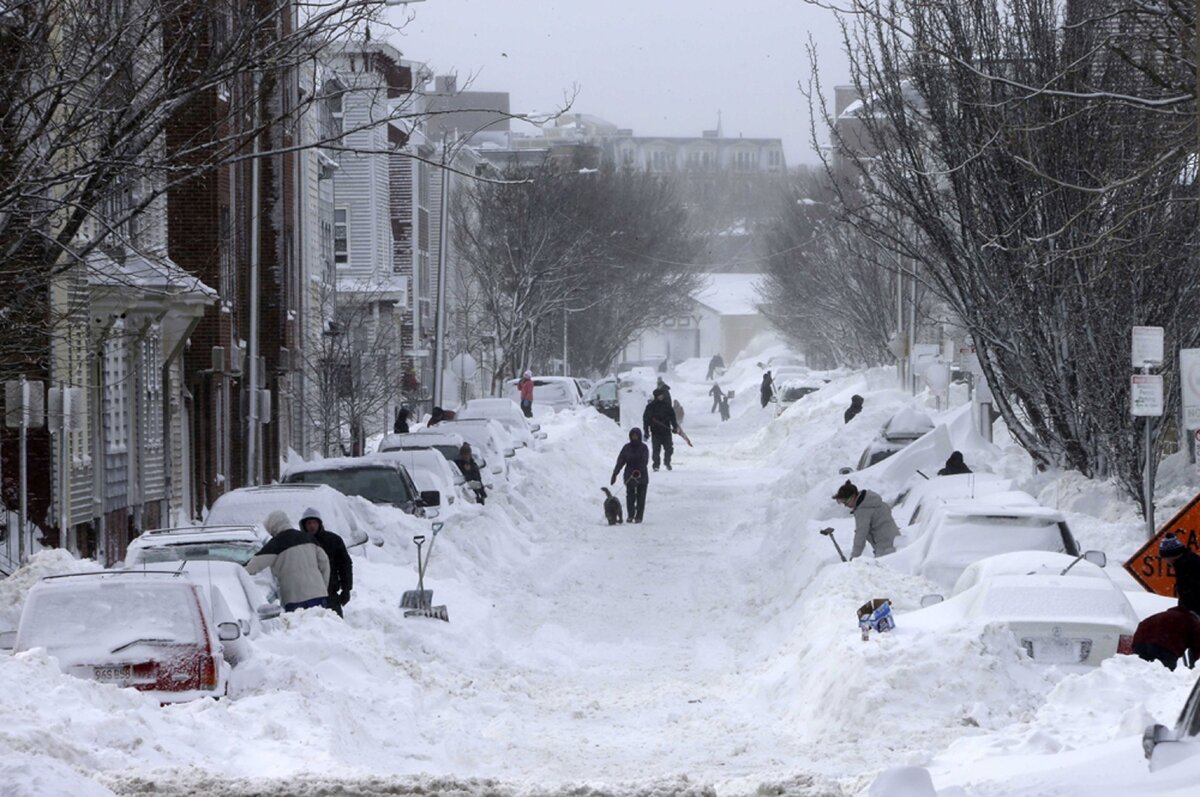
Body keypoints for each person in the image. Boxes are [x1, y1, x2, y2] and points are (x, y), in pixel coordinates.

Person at [246, 510, 330, 612]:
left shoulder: (276, 544)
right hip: (319, 594)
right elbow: (325, 563)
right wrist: (323, 586)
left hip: (295, 598)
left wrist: (236, 572)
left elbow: (252, 566)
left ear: (273, 527)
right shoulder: (309, 538)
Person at [300, 507, 353, 617]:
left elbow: (345, 565)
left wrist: (346, 589)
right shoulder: (298, 542)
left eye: (314, 522)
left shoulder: (333, 540)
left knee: (334, 627)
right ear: (304, 525)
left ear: (319, 523)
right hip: (306, 596)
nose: (312, 526)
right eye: (309, 523)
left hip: (330, 594)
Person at [832, 479, 900, 559]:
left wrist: (854, 558)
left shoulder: (863, 510)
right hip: (896, 542)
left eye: (846, 502)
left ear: (853, 496)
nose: (846, 506)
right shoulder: (872, 501)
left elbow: (860, 535)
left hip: (886, 548)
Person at [1131, 606, 1200, 671]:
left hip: (1140, 642)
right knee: (1164, 675)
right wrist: (1194, 668)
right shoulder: (1192, 621)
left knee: (1140, 672)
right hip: (1164, 646)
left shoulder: (1167, 615)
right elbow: (1197, 648)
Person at [610, 427, 650, 523]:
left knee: (641, 497)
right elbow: (620, 461)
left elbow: (645, 461)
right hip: (629, 475)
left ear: (639, 436)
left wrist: (638, 471)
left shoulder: (644, 448)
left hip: (642, 475)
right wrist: (615, 473)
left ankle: (639, 516)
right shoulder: (626, 448)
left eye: (636, 436)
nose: (634, 437)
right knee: (630, 496)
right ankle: (630, 515)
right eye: (633, 436)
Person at [1160, 533, 1200, 615]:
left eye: (1165, 557)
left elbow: (1192, 596)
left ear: (1171, 555)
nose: (1165, 561)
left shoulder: (1187, 567)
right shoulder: (1186, 562)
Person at [643, 388, 679, 472]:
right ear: (656, 396)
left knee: (669, 448)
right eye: (660, 395)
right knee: (656, 449)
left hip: (666, 431)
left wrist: (675, 427)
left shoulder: (667, 406)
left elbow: (672, 417)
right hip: (655, 431)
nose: (662, 396)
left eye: (662, 395)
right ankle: (656, 465)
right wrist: (646, 431)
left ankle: (667, 462)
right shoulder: (650, 407)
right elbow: (646, 420)